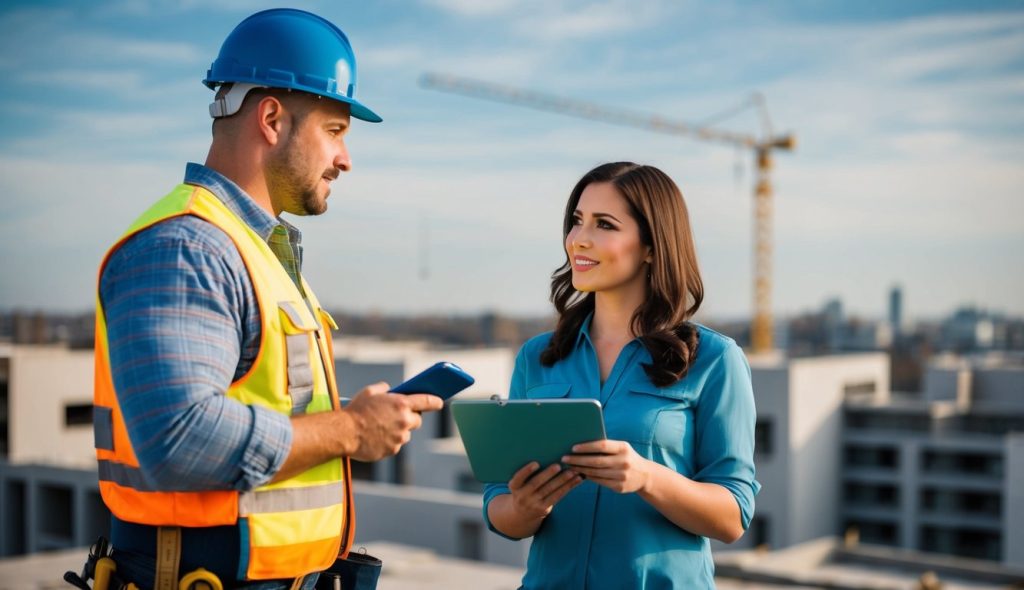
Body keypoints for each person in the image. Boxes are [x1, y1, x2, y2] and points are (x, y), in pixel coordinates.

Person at [90, 9, 442, 589]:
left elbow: (260, 401)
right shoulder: (187, 247)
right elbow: (179, 440)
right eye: (335, 131)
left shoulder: (252, 248)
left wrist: (357, 414)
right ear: (272, 119)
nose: (346, 159)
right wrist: (350, 431)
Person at [482, 162, 760, 588]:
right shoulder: (537, 357)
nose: (579, 239)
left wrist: (648, 477)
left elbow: (733, 516)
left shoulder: (715, 359)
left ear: (651, 246)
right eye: (577, 221)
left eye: (604, 224)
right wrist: (525, 507)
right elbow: (498, 507)